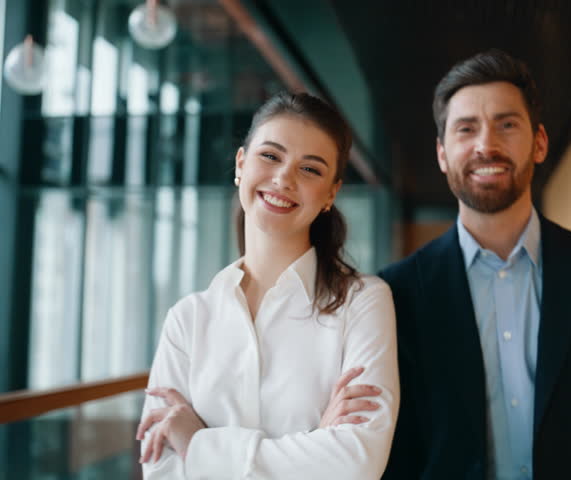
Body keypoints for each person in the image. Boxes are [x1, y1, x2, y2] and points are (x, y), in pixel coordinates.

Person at [378, 50, 571, 479]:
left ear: (540, 142)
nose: (486, 144)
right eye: (466, 128)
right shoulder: (396, 293)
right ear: (441, 153)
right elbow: (394, 454)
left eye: (507, 125)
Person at [136, 92, 399, 479]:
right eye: (271, 156)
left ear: (330, 194)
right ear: (241, 164)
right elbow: (161, 470)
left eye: (310, 169)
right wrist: (318, 441)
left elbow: (357, 463)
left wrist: (197, 446)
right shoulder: (188, 319)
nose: (283, 179)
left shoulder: (363, 302)